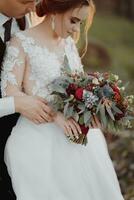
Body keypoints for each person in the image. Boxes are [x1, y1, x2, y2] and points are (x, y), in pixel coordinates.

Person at [1, 0, 125, 199]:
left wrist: (89, 110)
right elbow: (10, 91)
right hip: (38, 135)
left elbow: (78, 85)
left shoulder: (68, 43)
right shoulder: (22, 41)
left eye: (80, 24)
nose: (76, 29)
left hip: (78, 138)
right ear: (55, 11)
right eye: (73, 21)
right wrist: (55, 115)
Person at [0, 0, 54, 199]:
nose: (33, 7)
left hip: (19, 140)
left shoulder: (25, 21)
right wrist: (16, 103)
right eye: (26, 1)